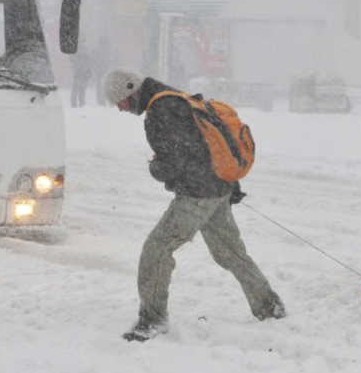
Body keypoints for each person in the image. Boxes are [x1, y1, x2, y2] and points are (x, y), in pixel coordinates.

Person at [104, 68, 286, 342]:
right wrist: (228, 184)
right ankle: (268, 306)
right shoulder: (178, 98)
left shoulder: (161, 110)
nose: (120, 109)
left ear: (131, 90)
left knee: (156, 250)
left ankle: (152, 321)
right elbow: (207, 146)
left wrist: (156, 168)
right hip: (216, 190)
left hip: (198, 195)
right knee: (229, 252)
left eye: (121, 102)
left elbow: (179, 158)